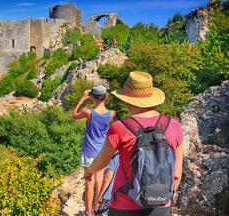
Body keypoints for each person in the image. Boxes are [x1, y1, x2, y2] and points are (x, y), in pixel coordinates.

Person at [85, 71, 184, 216]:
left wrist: (89, 171)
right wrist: (163, 199)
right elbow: (176, 175)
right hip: (161, 205)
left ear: (126, 100)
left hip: (125, 205)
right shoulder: (174, 126)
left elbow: (101, 162)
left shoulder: (119, 128)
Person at [72, 85, 116, 216]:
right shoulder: (112, 114)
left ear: (92, 97)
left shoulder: (88, 112)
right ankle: (97, 208)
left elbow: (74, 115)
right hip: (102, 151)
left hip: (89, 151)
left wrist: (83, 98)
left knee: (89, 182)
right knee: (99, 181)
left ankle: (88, 212)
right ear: (106, 97)